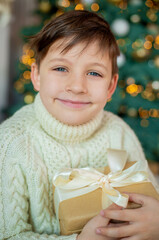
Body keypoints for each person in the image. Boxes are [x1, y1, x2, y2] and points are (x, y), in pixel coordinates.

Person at [0, 10, 159, 240]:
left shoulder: (119, 133)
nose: (77, 86)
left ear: (111, 87)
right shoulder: (10, 143)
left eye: (94, 73)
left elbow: (148, 200)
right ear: (36, 76)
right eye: (61, 68)